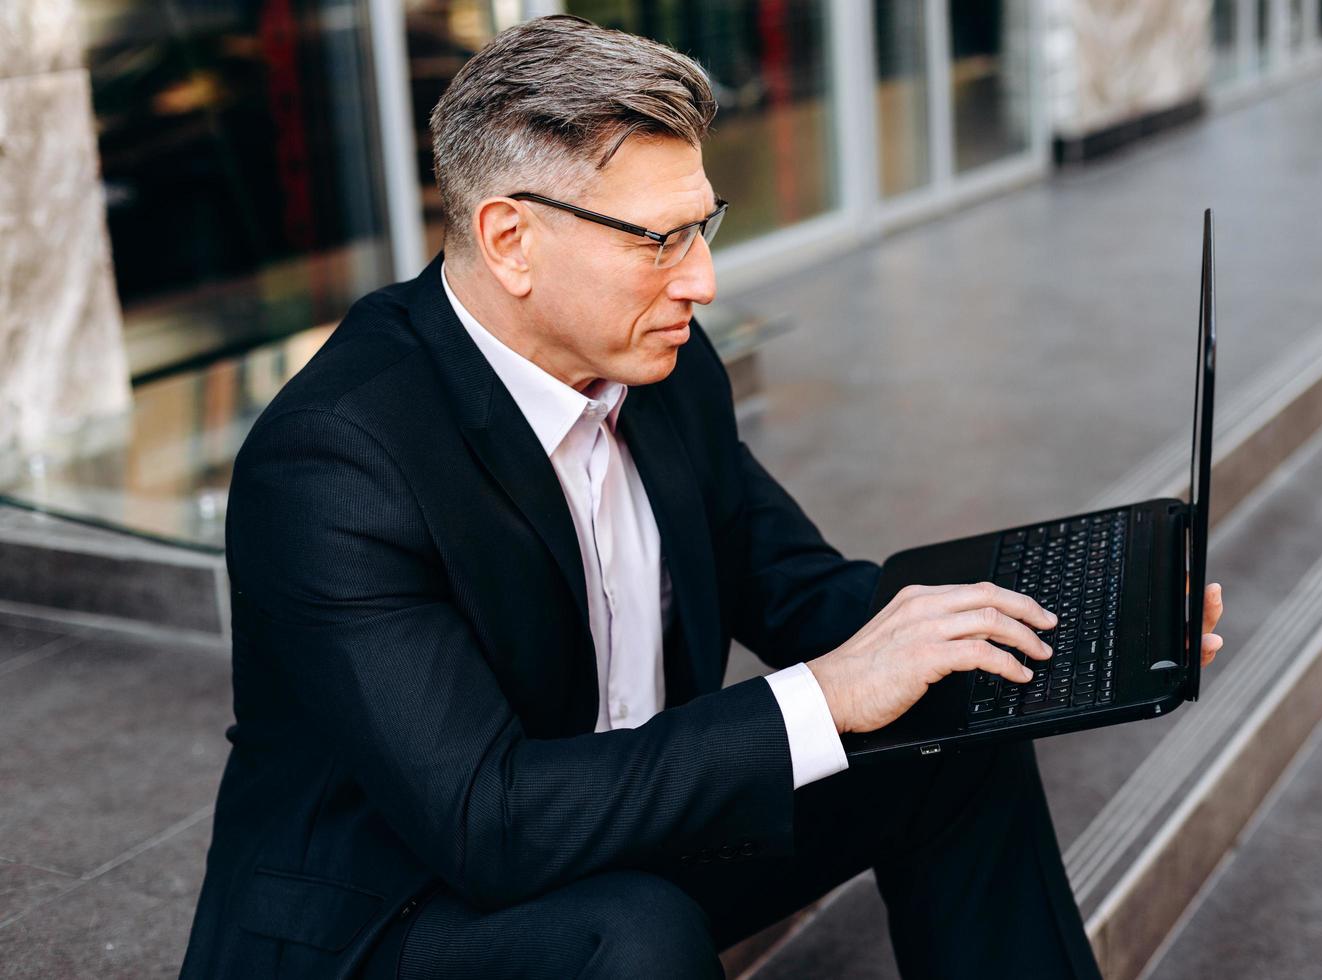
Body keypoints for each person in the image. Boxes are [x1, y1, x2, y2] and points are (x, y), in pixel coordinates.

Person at [179, 15, 1225, 980]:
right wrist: (822, 697)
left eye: (703, 225)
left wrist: (1074, 635)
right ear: (509, 240)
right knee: (635, 931)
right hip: (393, 909)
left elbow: (795, 585)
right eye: (658, 240)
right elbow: (486, 819)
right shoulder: (336, 461)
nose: (704, 280)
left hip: (621, 817)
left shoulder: (661, 365)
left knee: (950, 748)